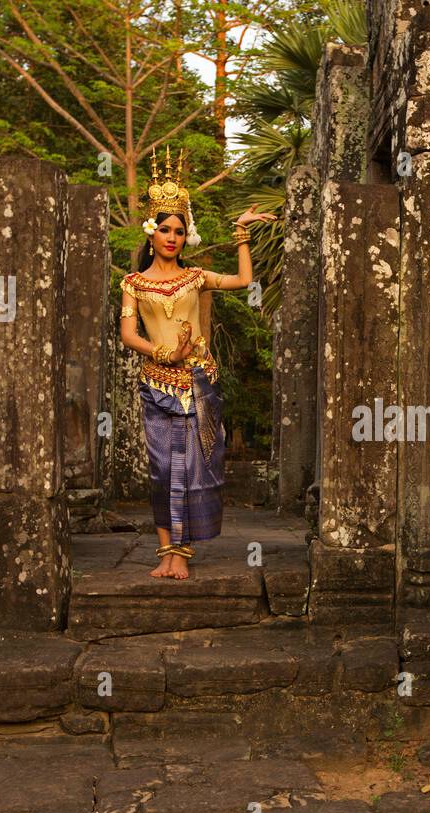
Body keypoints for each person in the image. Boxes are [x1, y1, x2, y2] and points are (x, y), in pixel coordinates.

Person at [119, 147, 276, 579]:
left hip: (197, 382)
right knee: (161, 468)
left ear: (186, 236)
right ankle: (164, 552)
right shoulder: (133, 283)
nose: (172, 237)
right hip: (157, 384)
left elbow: (244, 281)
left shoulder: (196, 277)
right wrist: (163, 352)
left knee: (191, 469)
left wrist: (241, 233)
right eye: (165, 229)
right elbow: (129, 335)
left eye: (179, 230)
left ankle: (181, 556)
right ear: (151, 234)